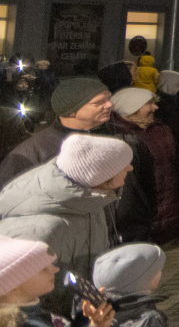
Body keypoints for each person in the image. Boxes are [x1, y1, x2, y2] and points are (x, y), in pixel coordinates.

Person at [0, 133, 133, 313]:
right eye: (122, 166)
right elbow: (26, 295)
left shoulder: (88, 196)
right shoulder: (43, 228)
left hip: (86, 311)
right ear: (102, 175)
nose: (131, 168)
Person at [0, 77, 114, 188]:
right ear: (71, 111)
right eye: (98, 102)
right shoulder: (32, 153)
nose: (110, 105)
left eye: (109, 99)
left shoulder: (115, 139)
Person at [106, 88, 179, 244]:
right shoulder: (117, 138)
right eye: (149, 104)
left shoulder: (162, 130)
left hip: (167, 213)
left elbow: (177, 163)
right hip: (136, 221)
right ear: (131, 108)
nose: (155, 107)